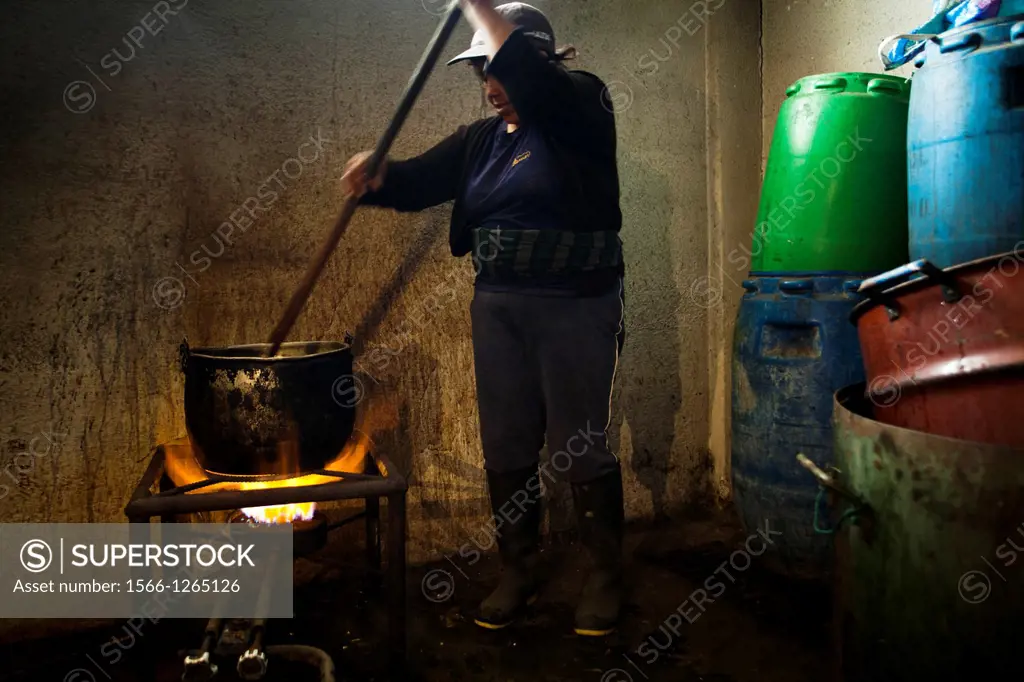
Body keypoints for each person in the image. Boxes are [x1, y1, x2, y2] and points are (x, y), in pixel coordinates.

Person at [341, 0, 626, 636]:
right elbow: (416, 182)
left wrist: (480, 7)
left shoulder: (581, 106)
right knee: (505, 442)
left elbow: (540, 85)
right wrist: (378, 177)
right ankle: (519, 568)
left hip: (575, 305)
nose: (491, 87)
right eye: (482, 75)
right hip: (499, 309)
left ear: (535, 61)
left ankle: (606, 575)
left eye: (498, 70)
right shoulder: (479, 142)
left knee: (578, 445)